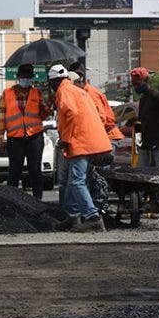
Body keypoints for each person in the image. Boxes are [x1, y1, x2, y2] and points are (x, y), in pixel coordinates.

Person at [48, 64, 112, 232]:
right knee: (71, 181)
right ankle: (73, 217)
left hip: (80, 142)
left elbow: (71, 113)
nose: (51, 87)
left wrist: (66, 139)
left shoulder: (64, 91)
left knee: (76, 182)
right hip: (88, 140)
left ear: (55, 81)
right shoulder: (78, 90)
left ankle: (93, 218)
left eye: (51, 83)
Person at [0, 63, 50, 199]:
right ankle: (11, 200)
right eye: (23, 76)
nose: (26, 79)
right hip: (15, 138)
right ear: (18, 77)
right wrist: (0, 137)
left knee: (35, 169)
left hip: (34, 136)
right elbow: (2, 116)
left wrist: (48, 104)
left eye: (28, 77)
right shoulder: (7, 94)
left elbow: (43, 115)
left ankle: (38, 201)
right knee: (14, 170)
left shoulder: (36, 93)